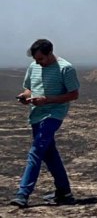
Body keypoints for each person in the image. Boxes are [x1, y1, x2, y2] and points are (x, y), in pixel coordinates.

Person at [9, 39, 78, 208]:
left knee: (36, 150)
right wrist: (25, 96)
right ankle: (65, 192)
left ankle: (23, 194)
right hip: (36, 114)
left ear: (50, 53)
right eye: (36, 59)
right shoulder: (34, 67)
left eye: (41, 59)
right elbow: (29, 88)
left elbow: (73, 94)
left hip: (53, 114)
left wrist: (47, 100)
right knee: (49, 154)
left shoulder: (65, 68)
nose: (38, 62)